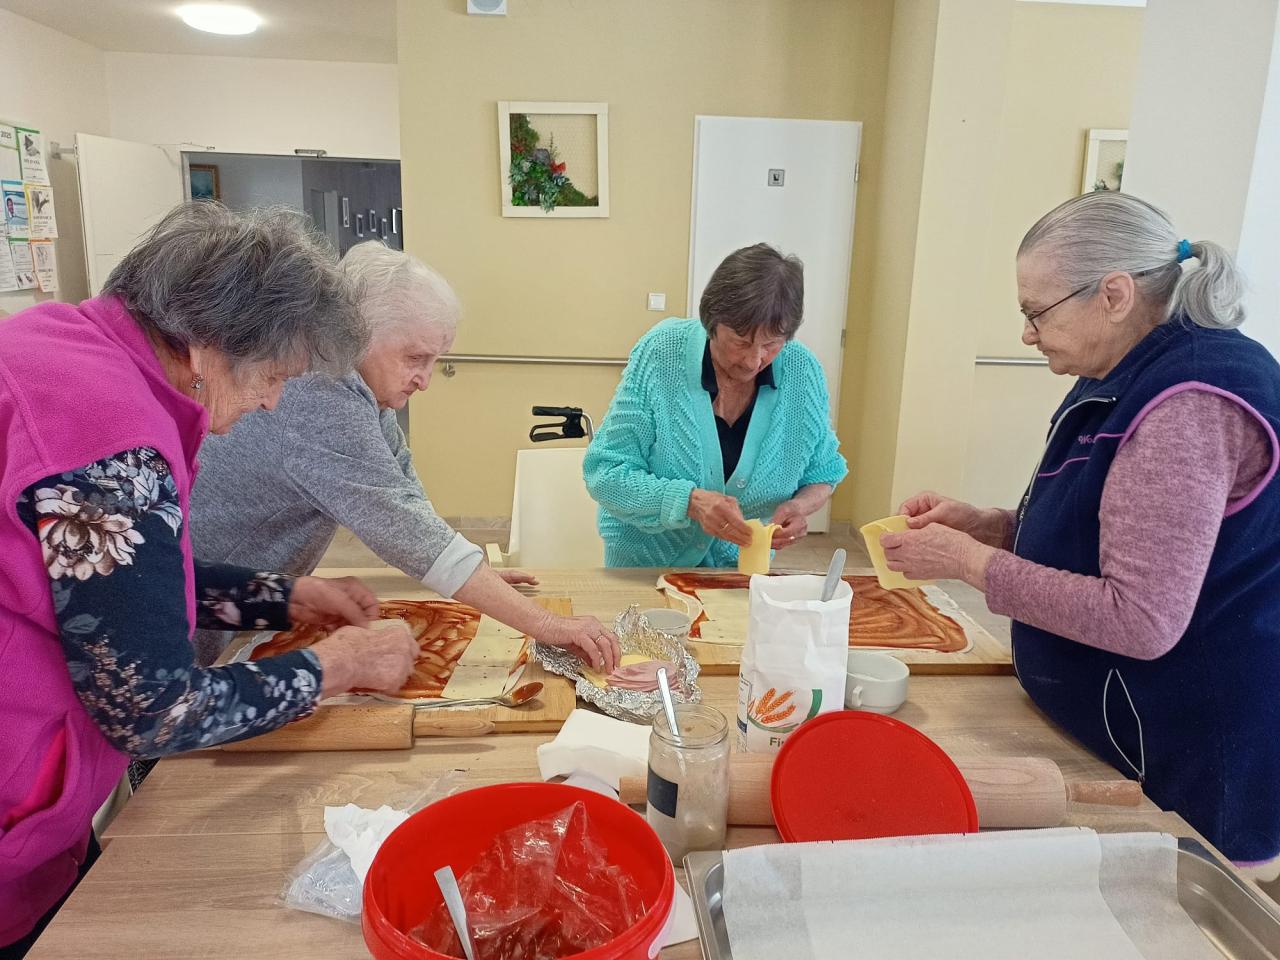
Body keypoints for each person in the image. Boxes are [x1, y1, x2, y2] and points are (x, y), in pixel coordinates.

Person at [0, 204, 421, 957]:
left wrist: (282, 597)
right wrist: (337, 666)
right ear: (212, 343)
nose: (273, 401)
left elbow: (118, 580)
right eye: (274, 376)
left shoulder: (63, 341)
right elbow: (155, 711)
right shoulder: (109, 441)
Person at [882, 192, 1280, 871]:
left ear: (1114, 296)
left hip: (1186, 753)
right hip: (1113, 730)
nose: (1027, 335)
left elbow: (1141, 617)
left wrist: (971, 563)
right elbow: (1109, 533)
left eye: (1036, 312)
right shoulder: (1124, 369)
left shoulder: (1186, 406)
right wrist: (994, 527)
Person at [190, 241, 620, 674]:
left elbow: (404, 491)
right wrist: (544, 623)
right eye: (415, 358)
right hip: (199, 603)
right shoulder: (322, 392)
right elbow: (402, 526)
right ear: (356, 336)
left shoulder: (361, 389)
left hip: (237, 597)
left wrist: (476, 579)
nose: (425, 380)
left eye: (434, 360)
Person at [583, 243, 847, 567]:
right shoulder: (662, 353)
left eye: (772, 344)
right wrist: (689, 502)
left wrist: (799, 508)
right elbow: (605, 473)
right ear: (712, 322)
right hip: (645, 567)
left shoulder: (801, 371)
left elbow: (823, 472)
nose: (754, 360)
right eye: (740, 342)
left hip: (737, 573)